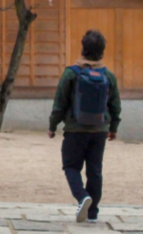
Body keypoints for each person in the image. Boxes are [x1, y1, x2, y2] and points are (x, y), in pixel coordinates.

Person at [48, 30, 121, 223]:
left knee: (71, 166)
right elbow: (115, 105)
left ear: (83, 49)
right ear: (102, 51)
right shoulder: (108, 76)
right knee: (95, 170)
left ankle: (82, 197)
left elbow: (59, 102)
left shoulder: (71, 73)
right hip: (99, 130)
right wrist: (113, 127)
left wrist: (52, 125)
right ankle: (93, 213)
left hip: (75, 129)